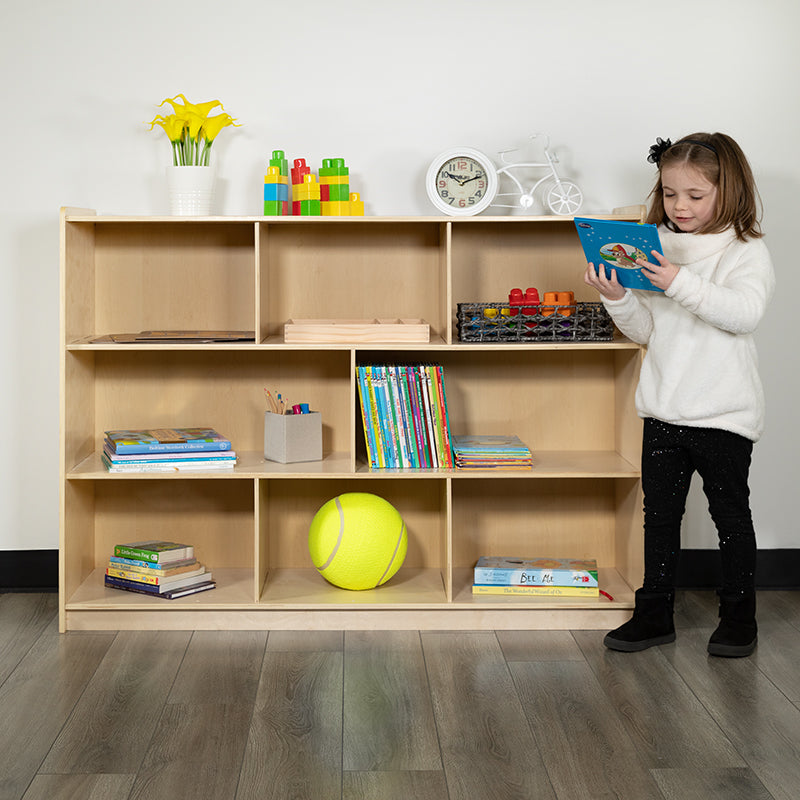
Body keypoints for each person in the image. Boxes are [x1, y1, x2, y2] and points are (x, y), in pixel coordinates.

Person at [584, 133, 775, 657]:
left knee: (730, 518)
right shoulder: (655, 247)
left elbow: (743, 315)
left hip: (723, 413)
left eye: (695, 195)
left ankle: (740, 619)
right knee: (660, 519)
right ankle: (653, 614)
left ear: (728, 190)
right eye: (670, 194)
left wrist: (676, 282)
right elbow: (648, 332)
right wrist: (619, 297)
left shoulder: (744, 250)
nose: (679, 206)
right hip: (664, 409)